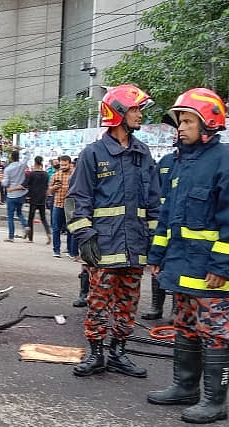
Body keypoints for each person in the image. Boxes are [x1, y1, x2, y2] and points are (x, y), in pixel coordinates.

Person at [147, 88, 229, 424]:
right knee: (186, 327)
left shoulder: (227, 162)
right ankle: (185, 387)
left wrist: (223, 265)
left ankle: (215, 401)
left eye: (188, 120)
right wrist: (158, 253)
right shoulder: (179, 163)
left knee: (216, 333)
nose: (181, 127)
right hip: (181, 267)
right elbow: (168, 217)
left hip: (212, 272)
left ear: (209, 123)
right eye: (180, 121)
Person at [67, 84, 160, 380]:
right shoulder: (93, 154)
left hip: (135, 247)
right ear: (118, 112)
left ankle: (119, 352)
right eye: (134, 109)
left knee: (128, 302)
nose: (139, 114)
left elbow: (154, 203)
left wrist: (157, 245)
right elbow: (76, 200)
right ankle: (96, 354)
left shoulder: (143, 154)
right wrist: (85, 237)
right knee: (98, 302)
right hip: (103, 246)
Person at [142, 147, 178, 321]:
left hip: (180, 223)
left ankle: (176, 310)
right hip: (161, 221)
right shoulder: (166, 160)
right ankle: (156, 307)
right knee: (157, 265)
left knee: (176, 268)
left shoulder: (195, 162)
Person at [49, 155, 73, 257]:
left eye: (65, 165)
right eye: (61, 165)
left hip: (70, 206)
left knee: (71, 229)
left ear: (69, 164)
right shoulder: (56, 175)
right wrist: (54, 187)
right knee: (56, 229)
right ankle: (56, 250)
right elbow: (48, 191)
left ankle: (70, 250)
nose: (63, 166)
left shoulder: (74, 175)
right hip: (57, 204)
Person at [2, 150, 28, 242]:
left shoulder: (8, 169)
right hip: (21, 193)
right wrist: (21, 149)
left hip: (11, 194)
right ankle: (26, 225)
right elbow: (27, 154)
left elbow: (5, 183)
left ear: (11, 158)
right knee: (19, 212)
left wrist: (1, 181)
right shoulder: (22, 165)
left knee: (10, 216)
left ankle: (11, 236)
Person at [24, 155, 51, 244]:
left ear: (35, 163)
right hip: (42, 198)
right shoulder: (45, 174)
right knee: (43, 218)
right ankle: (48, 234)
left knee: (30, 218)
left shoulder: (32, 174)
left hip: (33, 198)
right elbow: (47, 186)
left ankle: (30, 238)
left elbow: (26, 184)